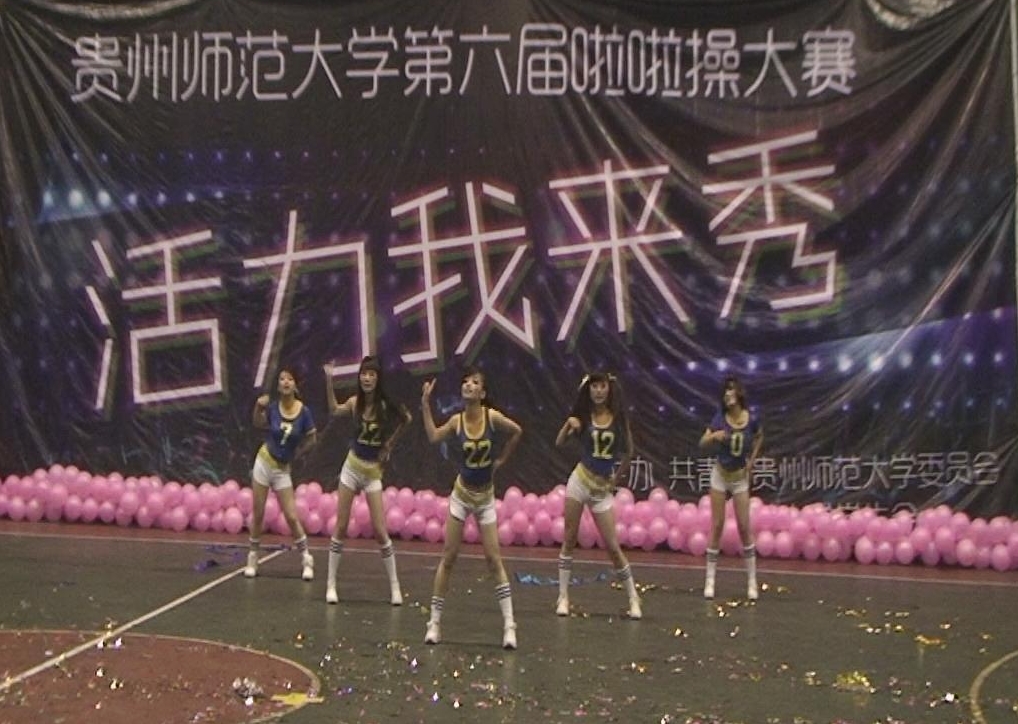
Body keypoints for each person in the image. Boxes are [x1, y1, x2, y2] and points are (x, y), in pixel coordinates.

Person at [420, 367, 523, 649]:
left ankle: (509, 625)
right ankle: (434, 623)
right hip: (462, 495)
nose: (468, 385)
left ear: (483, 393)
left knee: (493, 559)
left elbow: (517, 432)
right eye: (465, 382)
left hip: (485, 497)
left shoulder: (493, 418)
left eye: (474, 382)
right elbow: (433, 437)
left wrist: (501, 460)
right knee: (449, 557)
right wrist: (425, 404)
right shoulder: (456, 421)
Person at [322, 357, 412, 606]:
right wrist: (329, 380)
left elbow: (407, 418)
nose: (367, 378)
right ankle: (331, 584)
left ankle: (395, 587)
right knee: (341, 526)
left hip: (372, 473)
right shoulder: (355, 403)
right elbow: (334, 410)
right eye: (364, 374)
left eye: (372, 374)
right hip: (352, 468)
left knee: (381, 531)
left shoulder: (384, 406)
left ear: (378, 379)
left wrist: (390, 444)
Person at [554, 372, 642, 619]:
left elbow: (629, 451)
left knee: (613, 547)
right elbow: (559, 442)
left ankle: (633, 598)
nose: (598, 391)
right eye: (594, 386)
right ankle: (563, 596)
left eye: (602, 386)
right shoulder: (583, 416)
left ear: (609, 389)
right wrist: (568, 425)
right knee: (569, 538)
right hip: (580, 481)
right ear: (589, 390)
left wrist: (615, 479)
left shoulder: (618, 418)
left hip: (602, 490)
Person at [244, 368, 318, 580]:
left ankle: (307, 559)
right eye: (282, 379)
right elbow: (258, 423)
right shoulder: (273, 408)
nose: (285, 382)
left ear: (295, 385)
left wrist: (297, 453)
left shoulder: (304, 412)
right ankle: (252, 558)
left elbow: (312, 438)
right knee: (258, 513)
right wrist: (258, 407)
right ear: (278, 385)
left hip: (282, 470)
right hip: (264, 462)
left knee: (292, 517)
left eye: (290, 379)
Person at [698, 375, 763, 600]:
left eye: (731, 390)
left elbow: (759, 436)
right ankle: (710, 580)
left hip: (739, 478)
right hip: (720, 475)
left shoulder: (750, 419)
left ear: (739, 393)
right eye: (725, 391)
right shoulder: (719, 417)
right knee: (717, 525)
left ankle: (752, 581)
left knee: (744, 526)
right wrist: (713, 436)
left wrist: (751, 462)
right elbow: (702, 442)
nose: (728, 394)